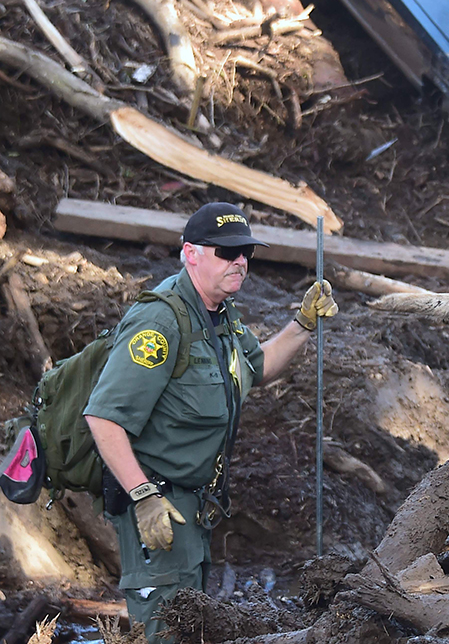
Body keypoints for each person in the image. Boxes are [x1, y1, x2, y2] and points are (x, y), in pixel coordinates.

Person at [83, 202, 338, 642]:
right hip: (158, 505)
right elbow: (103, 417)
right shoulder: (161, 321)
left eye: (246, 252)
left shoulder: (220, 316)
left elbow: (257, 367)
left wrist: (302, 325)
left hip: (195, 509)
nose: (239, 261)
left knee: (188, 628)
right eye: (225, 252)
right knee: (164, 632)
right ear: (190, 253)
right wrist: (143, 497)